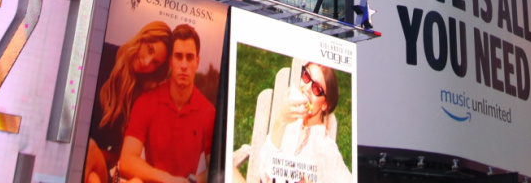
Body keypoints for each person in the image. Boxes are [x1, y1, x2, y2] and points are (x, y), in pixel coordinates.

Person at [117, 25, 216, 183]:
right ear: (170, 61)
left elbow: (216, 169)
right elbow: (127, 161)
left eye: (189, 57)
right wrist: (167, 179)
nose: (184, 65)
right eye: (178, 56)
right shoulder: (146, 101)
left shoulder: (208, 112)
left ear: (197, 62)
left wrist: (190, 181)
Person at [83, 21, 173, 183]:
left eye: (155, 63)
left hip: (98, 162)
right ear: (143, 38)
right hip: (75, 155)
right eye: (149, 50)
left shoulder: (139, 95)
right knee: (92, 177)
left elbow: (118, 155)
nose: (147, 63)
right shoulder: (103, 54)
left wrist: (95, 153)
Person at [231, 62, 350, 183]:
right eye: (307, 76)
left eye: (317, 88)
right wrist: (280, 120)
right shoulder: (291, 123)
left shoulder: (325, 147)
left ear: (325, 105)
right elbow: (264, 171)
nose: (307, 87)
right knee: (227, 169)